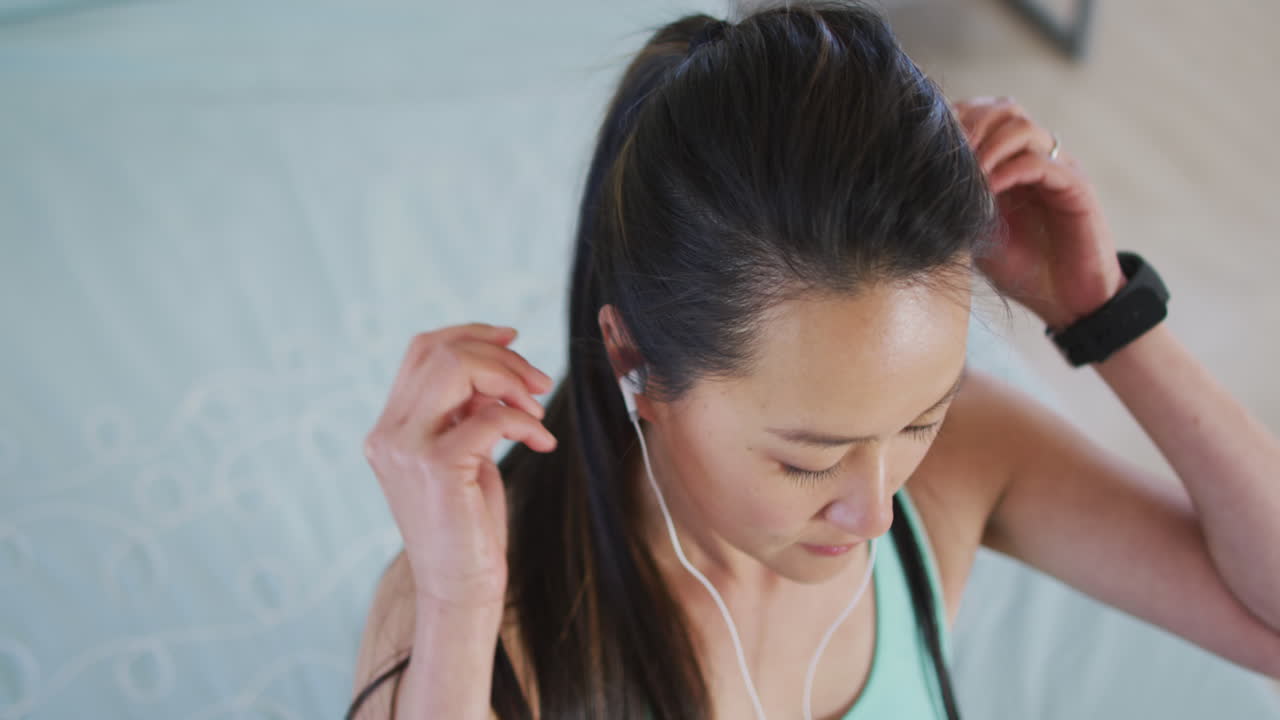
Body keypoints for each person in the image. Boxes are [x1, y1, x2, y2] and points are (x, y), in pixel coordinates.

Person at [347, 2, 1280, 718]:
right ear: (635, 360)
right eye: (806, 459)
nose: (875, 511)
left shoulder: (962, 465)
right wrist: (457, 605)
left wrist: (1103, 313)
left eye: (922, 419)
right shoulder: (483, 613)